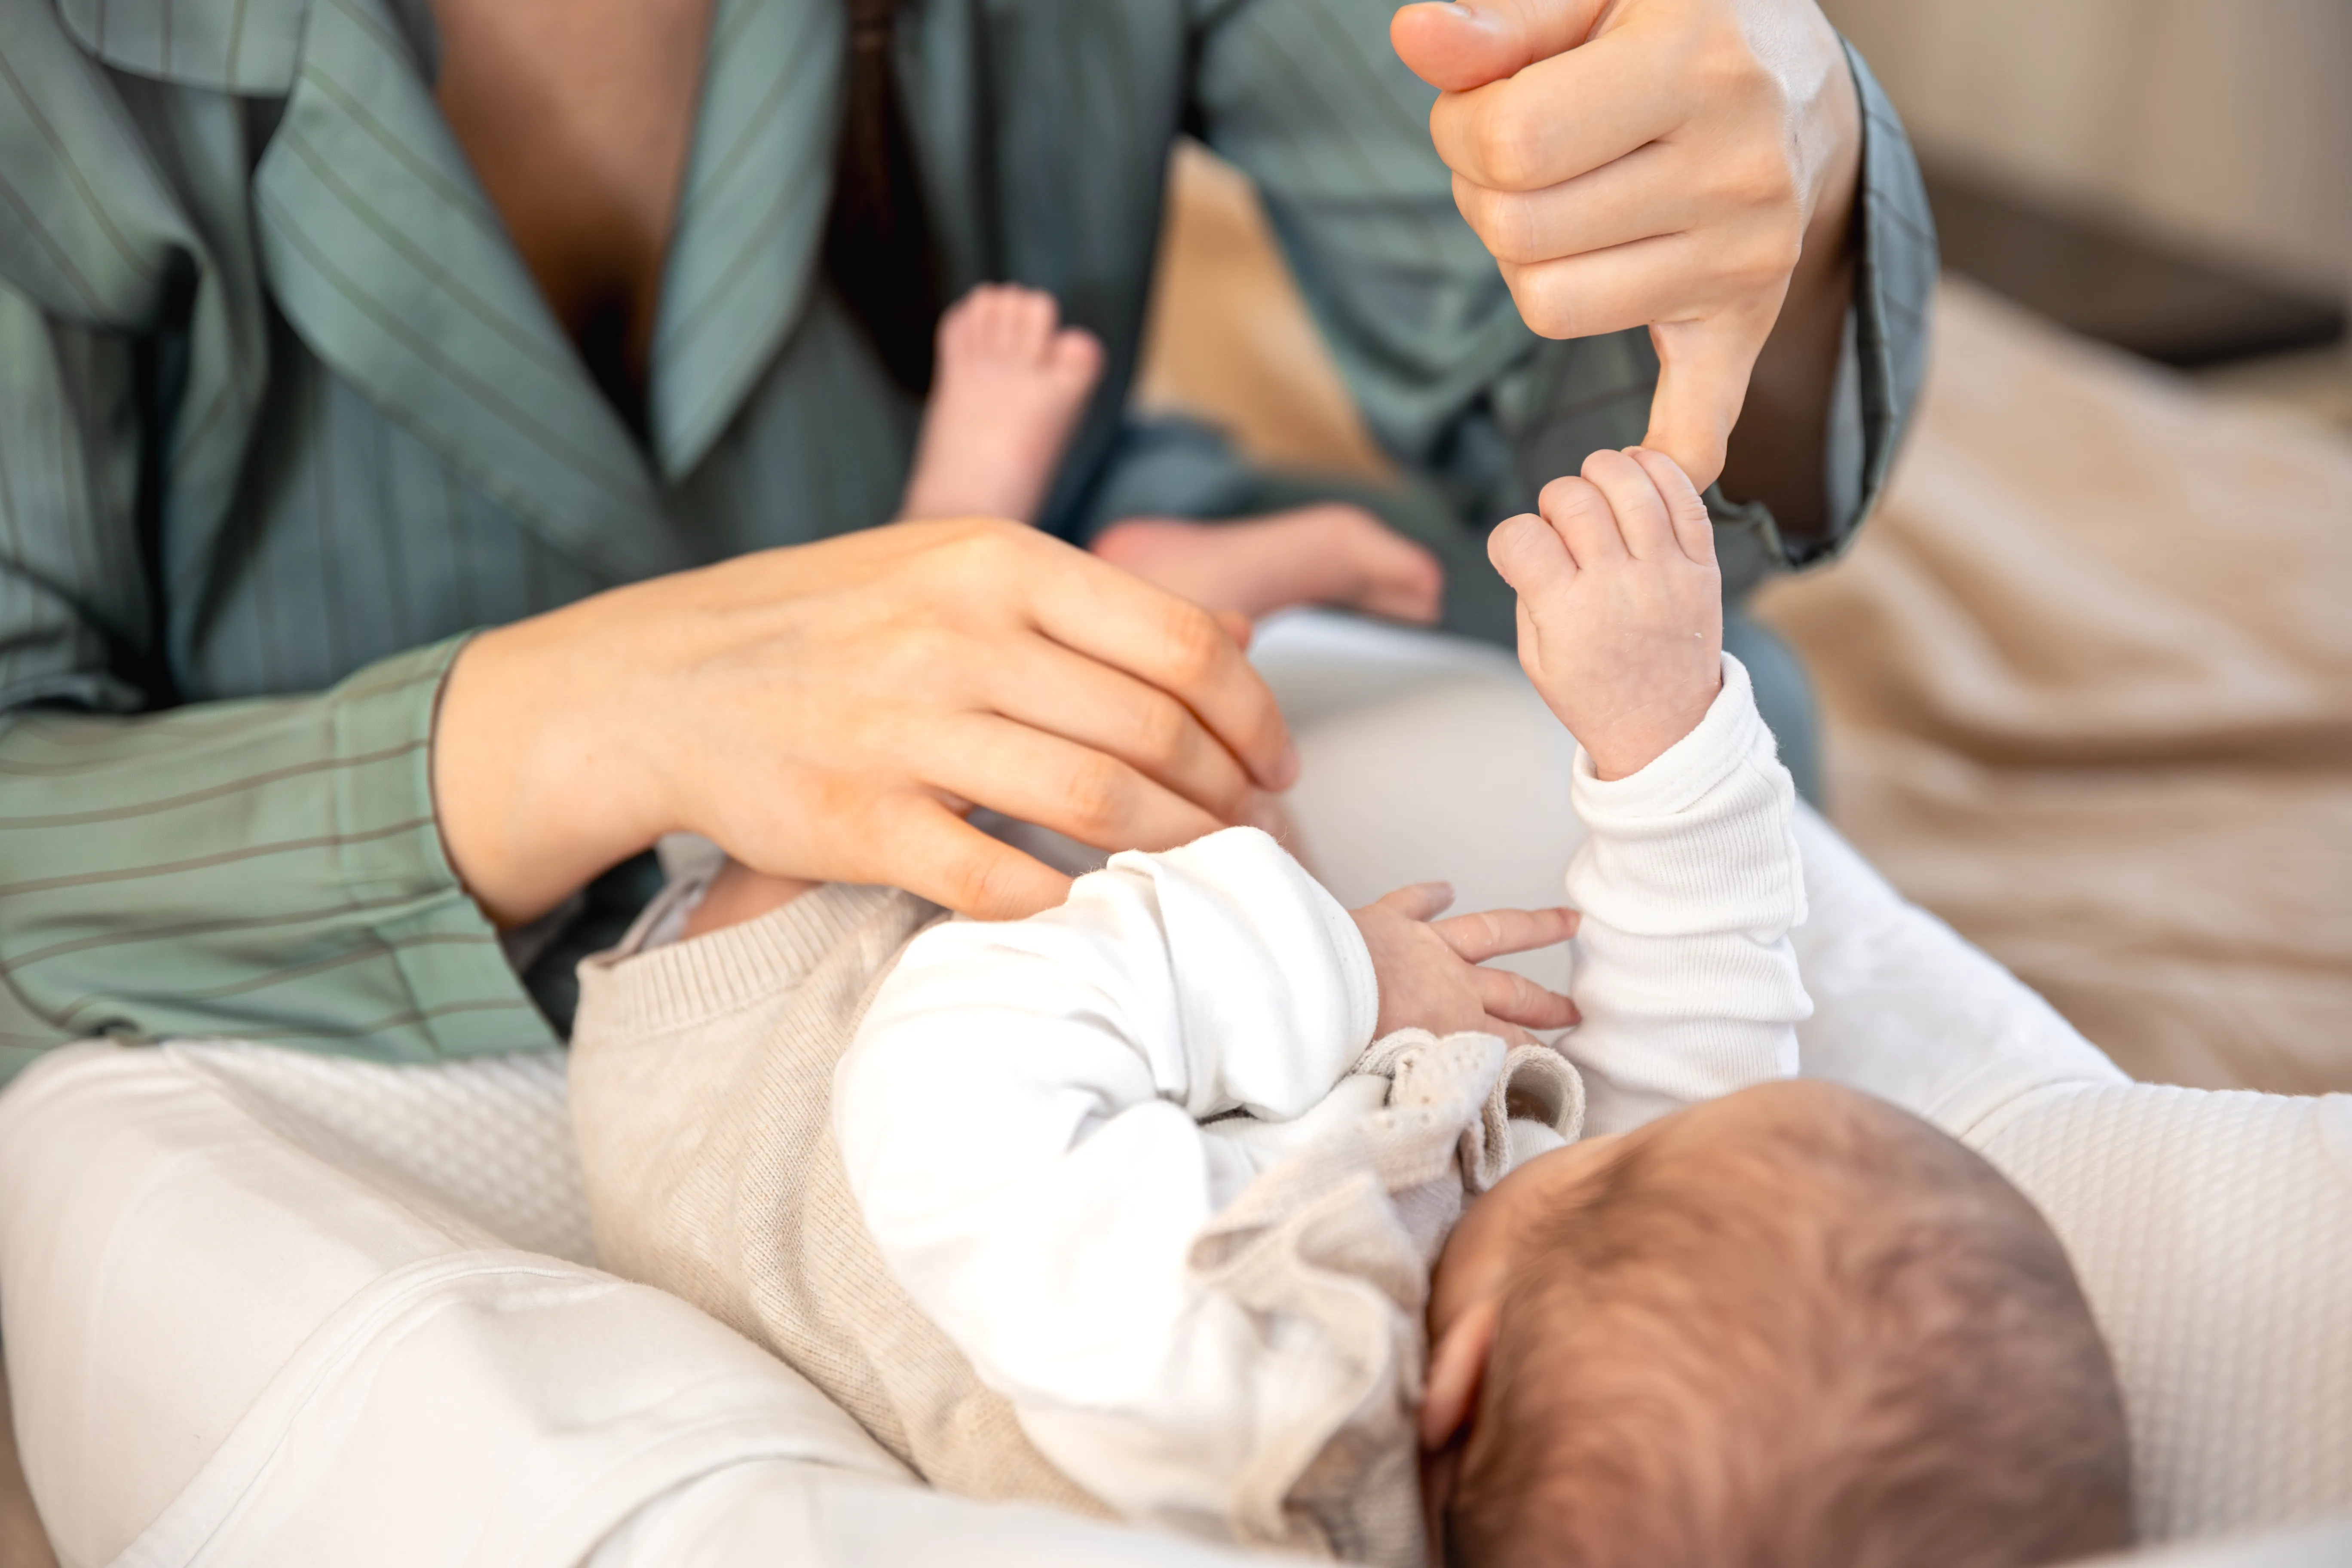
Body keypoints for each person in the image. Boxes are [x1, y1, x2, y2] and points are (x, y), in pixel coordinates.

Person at [0, 0, 1934, 1083]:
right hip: (273, 951)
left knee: (1685, 725)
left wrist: (1785, 157)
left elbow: (1621, 465)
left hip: (1084, 614)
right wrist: (598, 724)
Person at [566, 440, 2128, 1567]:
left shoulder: (1226, 1414)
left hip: (780, 1073)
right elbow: (1706, 1040)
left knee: (983, 843)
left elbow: (948, 1089)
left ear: (1453, 1384)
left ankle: (961, 532)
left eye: (1616, 1170)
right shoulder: (1565, 1370)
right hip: (1138, 1134)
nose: (1629, 1128)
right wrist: (1661, 734)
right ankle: (1133, 639)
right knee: (1261, 925)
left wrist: (1339, 975)